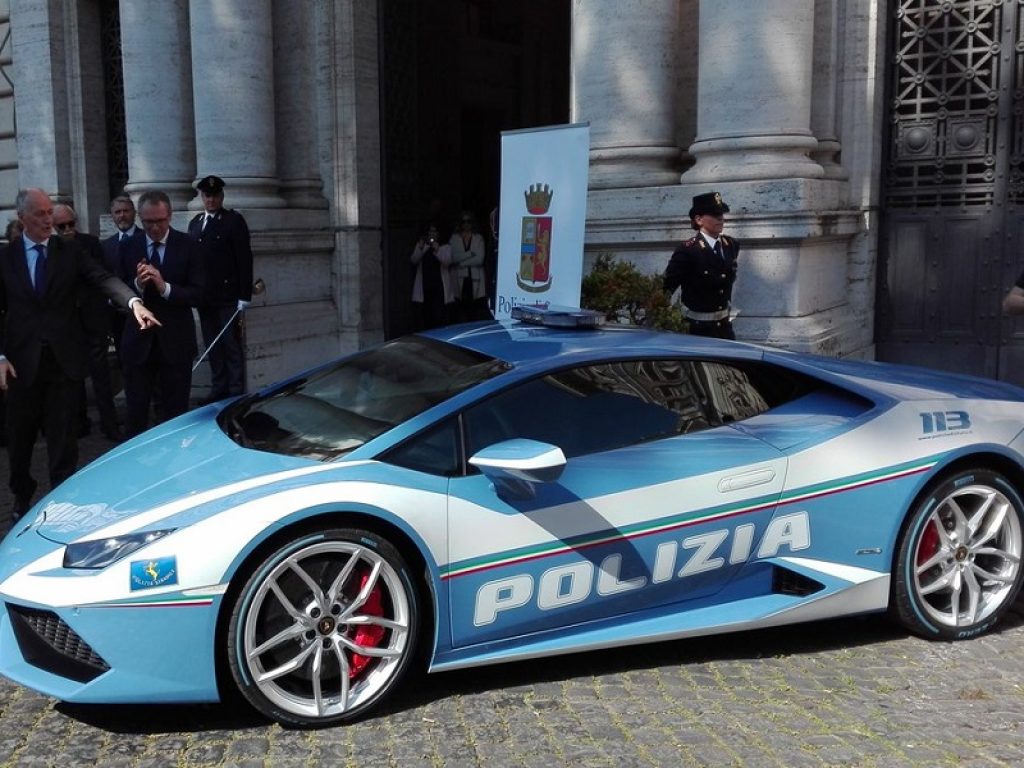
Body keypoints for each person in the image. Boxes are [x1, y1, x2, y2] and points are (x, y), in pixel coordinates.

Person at [0, 188, 160, 520]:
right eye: (40, 214)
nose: (48, 220)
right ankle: (21, 496)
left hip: (63, 362)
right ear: (22, 217)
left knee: (63, 439)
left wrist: (133, 303)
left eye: (50, 213)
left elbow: (103, 278)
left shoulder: (69, 251)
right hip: (20, 365)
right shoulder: (6, 257)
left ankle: (59, 502)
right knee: (20, 441)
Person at [119, 189, 204, 437]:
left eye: (160, 221)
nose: (155, 227)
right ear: (140, 218)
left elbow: (199, 293)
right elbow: (116, 288)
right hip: (138, 344)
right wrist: (138, 285)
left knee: (175, 415)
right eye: (148, 222)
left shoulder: (188, 245)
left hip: (175, 343)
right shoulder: (129, 246)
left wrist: (164, 287)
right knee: (135, 415)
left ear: (170, 216)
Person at [52, 203, 124, 442]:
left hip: (94, 317)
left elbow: (102, 275)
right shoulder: (51, 249)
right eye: (61, 226)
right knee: (73, 375)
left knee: (101, 373)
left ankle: (109, 423)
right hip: (68, 321)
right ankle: (79, 421)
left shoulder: (90, 244)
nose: (67, 230)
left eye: (70, 224)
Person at [187, 175, 254, 403]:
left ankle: (235, 392)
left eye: (215, 196)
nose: (211, 200)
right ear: (202, 197)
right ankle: (219, 387)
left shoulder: (233, 221)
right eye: (207, 196)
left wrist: (244, 296)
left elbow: (244, 260)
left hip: (227, 297)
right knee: (212, 344)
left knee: (230, 345)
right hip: (205, 298)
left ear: (222, 196)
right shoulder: (196, 223)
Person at [663, 191, 740, 340]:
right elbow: (665, 289)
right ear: (699, 220)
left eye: (721, 214)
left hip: (724, 329)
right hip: (697, 330)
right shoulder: (688, 251)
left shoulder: (731, 245)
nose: (720, 218)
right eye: (714, 214)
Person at [101, 194, 144, 359]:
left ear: (134, 213)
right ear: (112, 215)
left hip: (142, 310)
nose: (122, 215)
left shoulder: (145, 238)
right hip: (116, 314)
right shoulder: (106, 245)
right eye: (117, 212)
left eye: (126, 211)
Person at [410, 222, 454, 330]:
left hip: (439, 289)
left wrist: (437, 249)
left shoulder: (445, 247)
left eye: (434, 231)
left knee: (439, 317)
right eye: (430, 231)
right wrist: (420, 248)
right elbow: (414, 260)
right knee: (426, 317)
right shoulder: (422, 246)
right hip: (425, 288)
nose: (432, 234)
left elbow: (447, 262)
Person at [449, 210, 489, 322]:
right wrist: (470, 254)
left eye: (468, 221)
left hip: (474, 278)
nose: (466, 224)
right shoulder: (454, 238)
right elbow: (453, 257)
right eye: (463, 221)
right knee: (459, 310)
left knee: (474, 311)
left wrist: (461, 263)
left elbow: (479, 259)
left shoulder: (478, 238)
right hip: (459, 279)